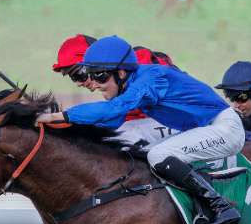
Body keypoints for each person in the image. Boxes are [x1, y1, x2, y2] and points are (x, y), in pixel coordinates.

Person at [37, 35, 244, 224]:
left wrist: (60, 116)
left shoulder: (150, 78)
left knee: (158, 155)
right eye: (91, 74)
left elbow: (115, 109)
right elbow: (113, 120)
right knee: (145, 154)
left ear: (121, 73)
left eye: (100, 75)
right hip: (206, 129)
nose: (94, 84)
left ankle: (220, 207)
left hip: (225, 129)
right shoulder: (133, 82)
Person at [52, 34, 180, 147]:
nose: (79, 83)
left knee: (125, 136)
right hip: (159, 123)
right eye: (73, 78)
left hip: (179, 120)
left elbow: (120, 111)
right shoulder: (113, 79)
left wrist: (69, 117)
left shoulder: (140, 58)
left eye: (79, 74)